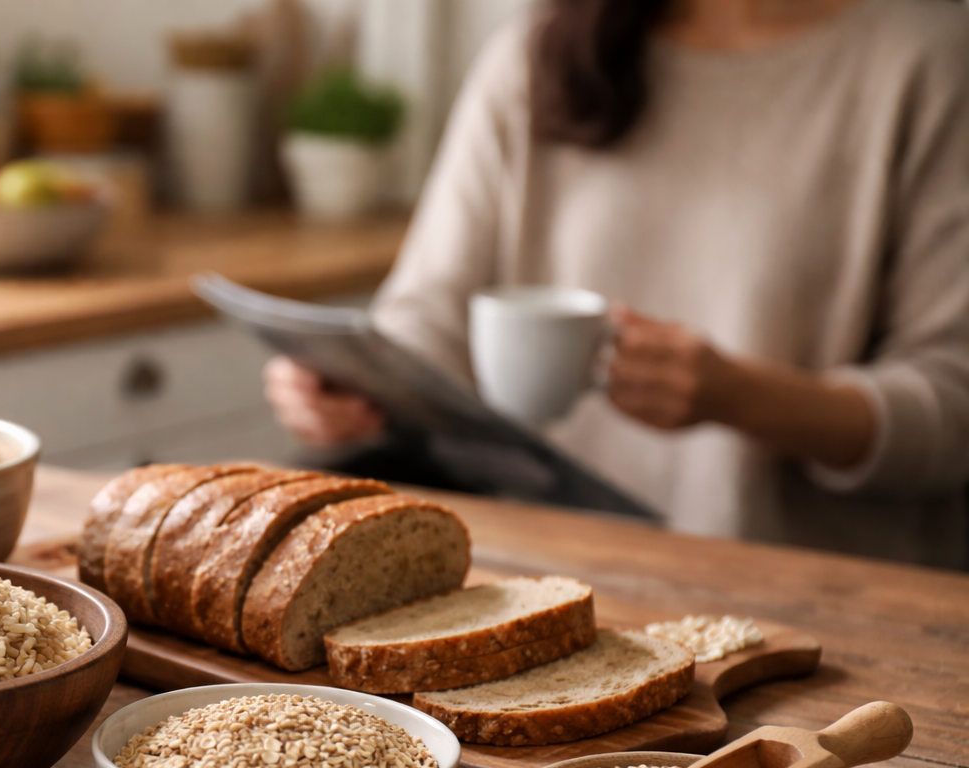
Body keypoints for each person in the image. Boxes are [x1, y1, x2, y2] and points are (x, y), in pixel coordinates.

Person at [264, 0, 969, 568]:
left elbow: (953, 409)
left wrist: (741, 397)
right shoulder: (538, 50)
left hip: (815, 598)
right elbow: (429, 319)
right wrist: (348, 386)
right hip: (538, 575)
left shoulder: (930, 58)